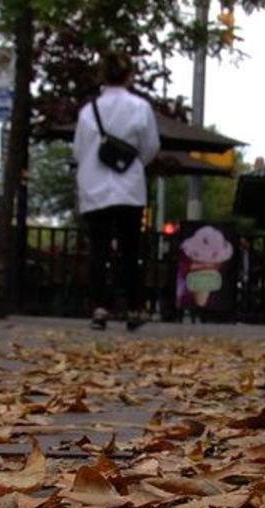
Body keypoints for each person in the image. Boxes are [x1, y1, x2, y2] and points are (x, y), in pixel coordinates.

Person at [72, 52, 161, 330]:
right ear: (129, 76)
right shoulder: (140, 107)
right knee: (129, 249)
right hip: (129, 187)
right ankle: (134, 308)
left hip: (95, 186)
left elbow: (78, 150)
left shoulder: (88, 111)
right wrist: (133, 164)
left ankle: (99, 307)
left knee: (98, 249)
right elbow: (150, 146)